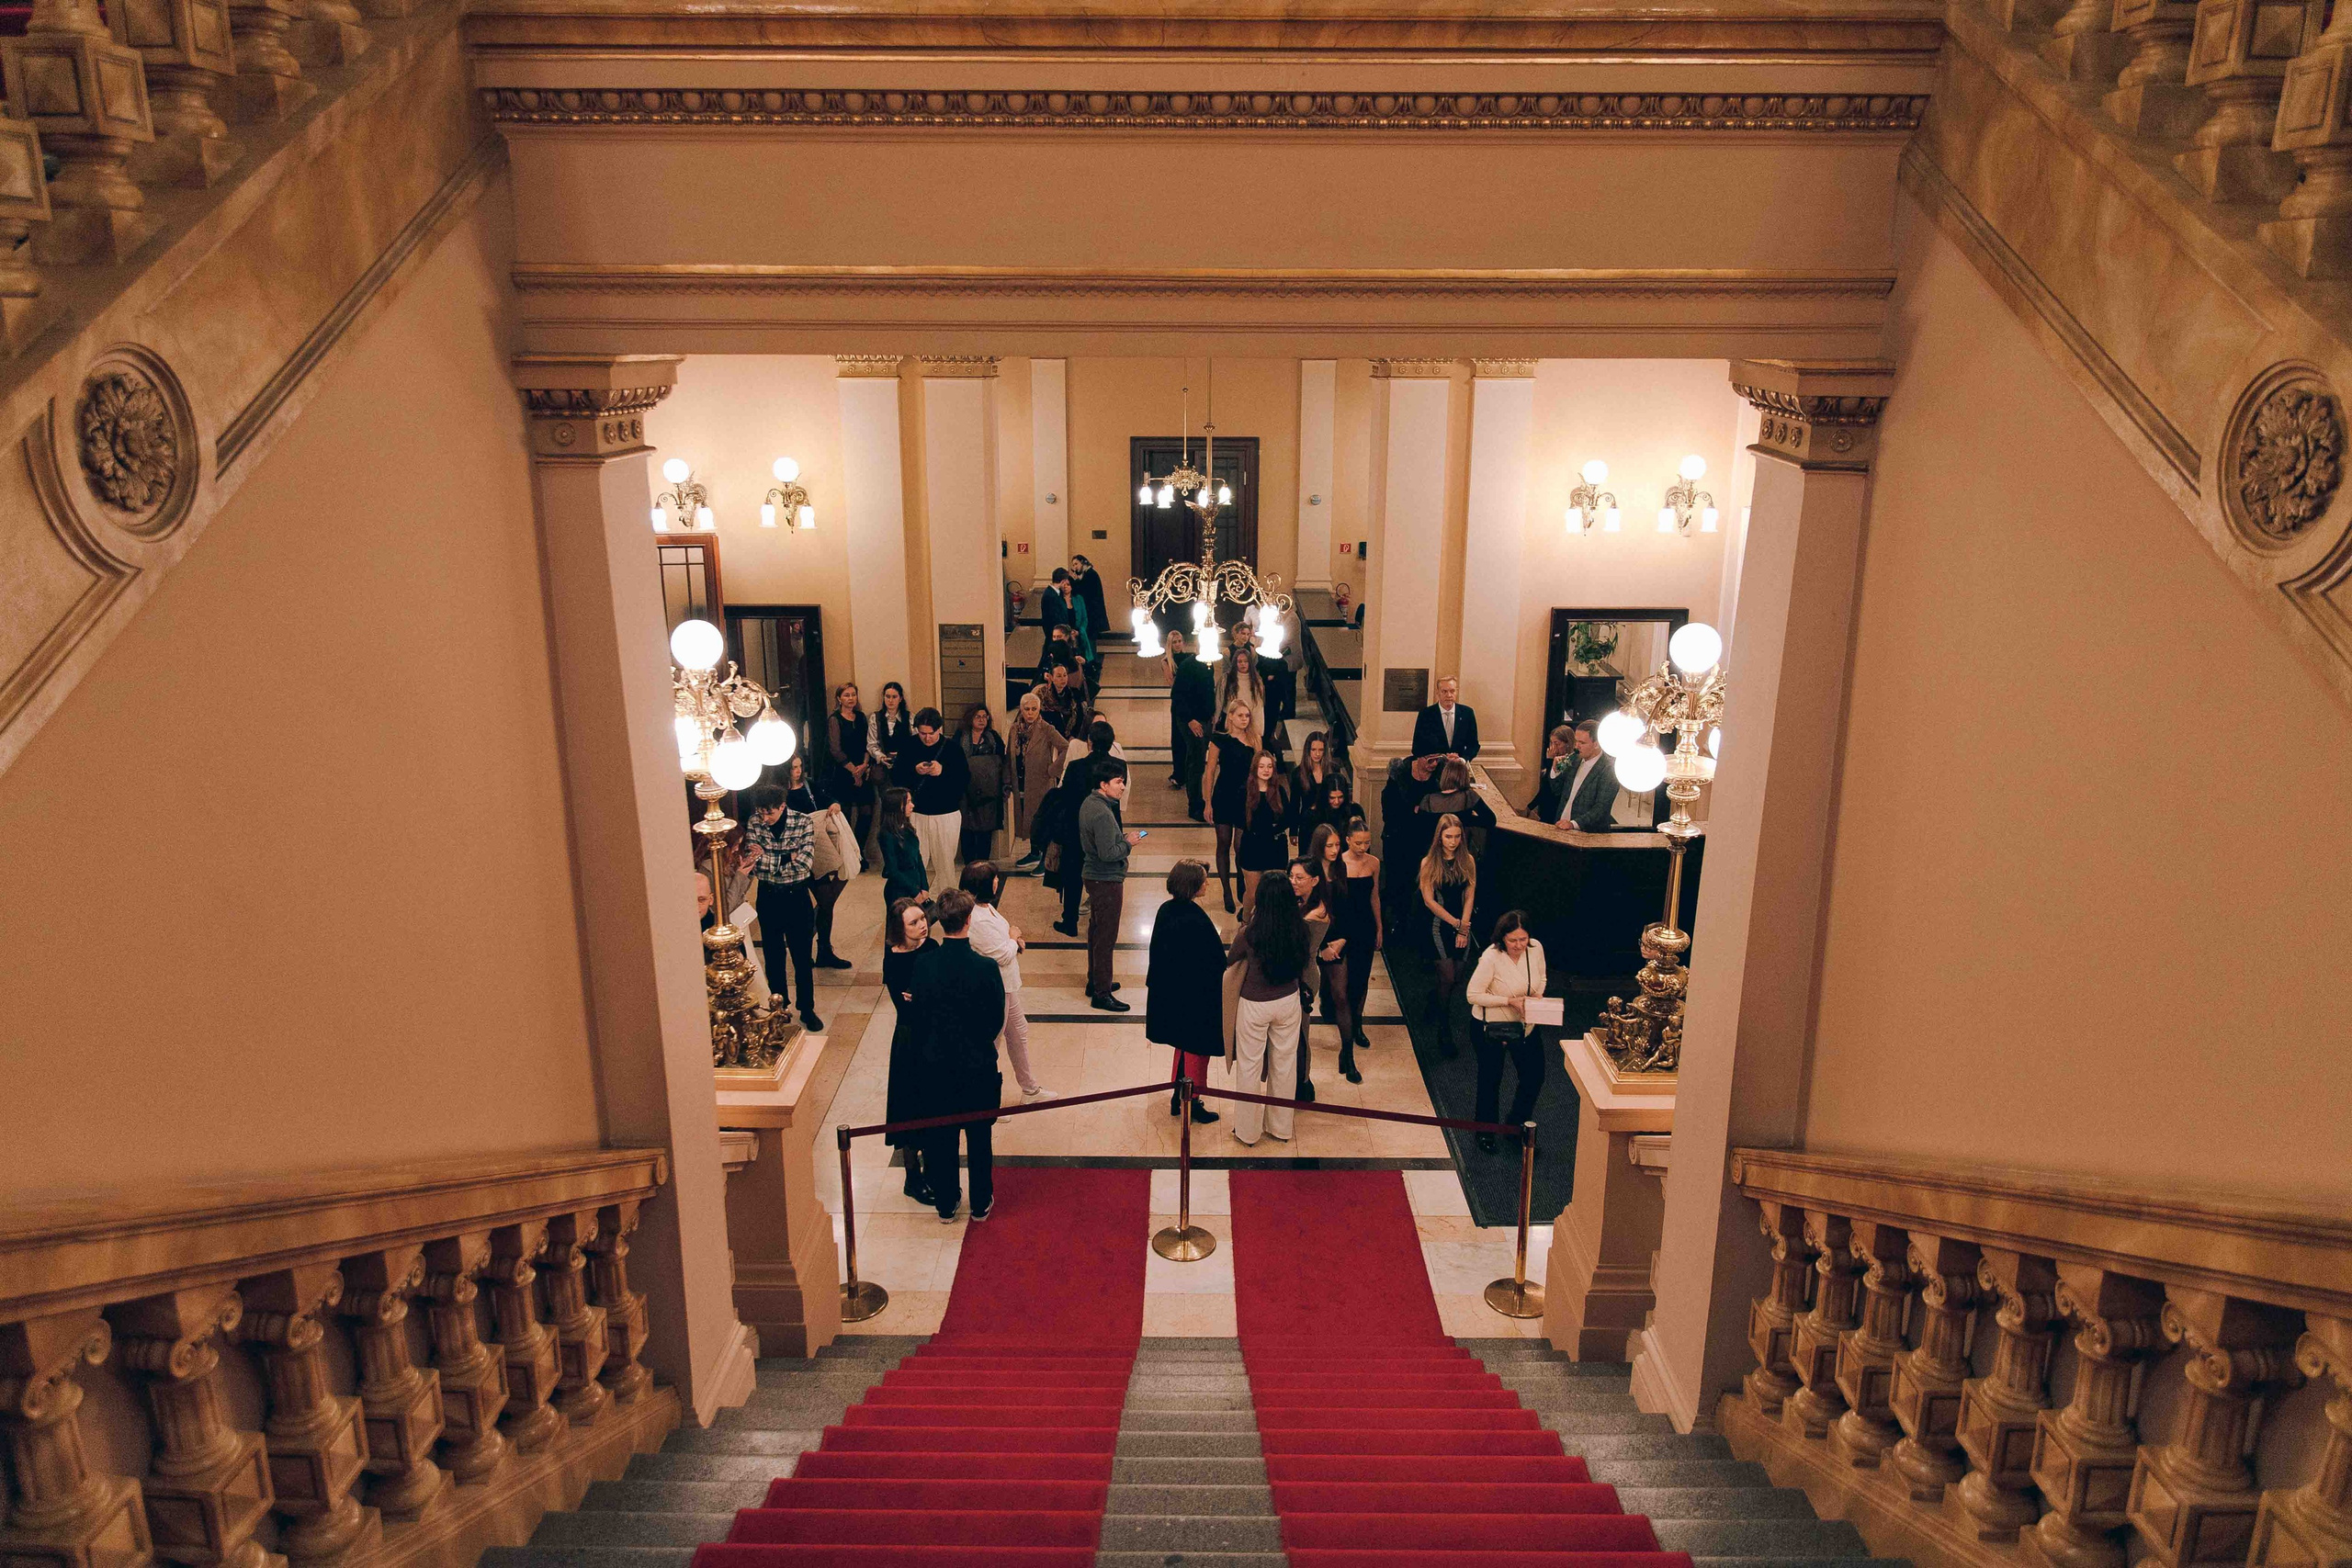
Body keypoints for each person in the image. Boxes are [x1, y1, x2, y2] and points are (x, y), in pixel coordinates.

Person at [914, 889, 1007, 1222]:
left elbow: (919, 1016)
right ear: (969, 920)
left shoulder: (924, 964)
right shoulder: (985, 968)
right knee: (980, 1138)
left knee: (941, 1139)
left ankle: (947, 1203)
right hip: (977, 1065)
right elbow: (997, 1018)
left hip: (936, 1066)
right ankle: (981, 1202)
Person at [1225, 874, 1308, 1146]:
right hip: (1288, 1001)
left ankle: (1248, 1132)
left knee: (1250, 1066)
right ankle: (1281, 1128)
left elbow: (1232, 959)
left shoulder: (1250, 933)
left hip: (1254, 1003)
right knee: (1284, 1065)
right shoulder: (1300, 929)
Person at [1144, 860, 1225, 1124]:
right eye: (1204, 879)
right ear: (1191, 884)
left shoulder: (1166, 910)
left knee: (1183, 1047)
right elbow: (1212, 961)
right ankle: (1192, 1099)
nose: (1208, 883)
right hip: (1195, 999)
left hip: (1173, 995)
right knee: (1197, 1051)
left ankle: (1178, 1095)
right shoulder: (1192, 918)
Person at [960, 863, 1049, 1100]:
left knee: (1018, 1032)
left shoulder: (986, 906)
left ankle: (1030, 1088)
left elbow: (1003, 942)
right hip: (995, 989)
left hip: (1007, 985)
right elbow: (1001, 954)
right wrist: (1013, 938)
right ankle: (986, 1100)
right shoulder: (976, 918)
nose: (997, 881)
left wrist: (1013, 940)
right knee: (992, 1045)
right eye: (994, 878)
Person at [741, 783, 824, 1036]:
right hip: (768, 897)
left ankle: (807, 1009)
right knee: (774, 957)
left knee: (801, 957)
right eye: (762, 813)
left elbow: (805, 865)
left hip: (797, 896)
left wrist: (769, 857)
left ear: (782, 806)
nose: (765, 819)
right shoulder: (755, 821)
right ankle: (780, 1007)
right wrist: (787, 856)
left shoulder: (803, 822)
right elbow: (753, 864)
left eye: (770, 813)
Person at [1464, 909, 1548, 1154]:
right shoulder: (1490, 957)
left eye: (1523, 940)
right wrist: (1509, 1001)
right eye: (1513, 940)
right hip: (1491, 1028)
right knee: (1491, 1080)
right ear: (1502, 938)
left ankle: (1515, 1126)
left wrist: (1536, 996)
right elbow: (1473, 995)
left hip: (1525, 1025)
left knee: (1534, 1076)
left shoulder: (1536, 948)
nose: (1519, 945)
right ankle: (1485, 1132)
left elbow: (1542, 977)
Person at [880, 897, 934, 1204]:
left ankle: (931, 1168)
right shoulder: (894, 958)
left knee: (931, 1105)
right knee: (909, 1108)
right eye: (913, 922)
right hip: (910, 1042)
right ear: (899, 928)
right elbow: (906, 1005)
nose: (923, 924)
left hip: (933, 1036)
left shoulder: (931, 947)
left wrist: (925, 995)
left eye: (923, 918)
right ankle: (913, 1178)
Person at [1078, 758, 1142, 1011]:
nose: (1123, 786)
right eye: (1118, 782)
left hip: (1094, 876)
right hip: (1105, 879)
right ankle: (1101, 993)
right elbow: (1108, 853)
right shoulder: (1102, 813)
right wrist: (1128, 843)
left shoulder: (1091, 803)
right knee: (1105, 937)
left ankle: (1095, 980)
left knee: (1096, 931)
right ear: (1103, 785)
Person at [1050, 720, 1123, 936]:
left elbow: (1066, 798)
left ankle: (1070, 921)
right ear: (1111, 744)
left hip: (1077, 829)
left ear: (1089, 742)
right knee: (1103, 874)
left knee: (1073, 875)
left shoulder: (1075, 767)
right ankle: (1100, 922)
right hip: (1108, 826)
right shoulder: (1119, 767)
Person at [784, 753, 854, 970]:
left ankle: (824, 948)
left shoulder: (807, 785)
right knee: (806, 907)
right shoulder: (780, 794)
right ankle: (810, 949)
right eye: (794, 767)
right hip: (794, 855)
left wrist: (834, 804)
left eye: (800, 766)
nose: (798, 771)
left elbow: (826, 797)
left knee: (826, 899)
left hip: (816, 847)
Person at [1304, 825, 1361, 1083]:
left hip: (1338, 939)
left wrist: (1341, 941)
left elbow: (1348, 909)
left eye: (1338, 845)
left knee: (1341, 994)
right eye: (1330, 846)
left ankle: (1347, 1054)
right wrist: (1322, 947)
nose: (1336, 850)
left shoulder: (1341, 869)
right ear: (1319, 846)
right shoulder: (1306, 871)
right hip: (1311, 940)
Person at [1418, 812, 1477, 1054]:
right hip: (1438, 926)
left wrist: (1463, 926)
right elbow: (1428, 900)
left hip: (1462, 923)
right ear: (1439, 837)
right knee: (1448, 977)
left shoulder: (1468, 860)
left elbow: (1470, 895)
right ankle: (1444, 1029)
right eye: (1448, 836)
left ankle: (1435, 999)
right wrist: (1454, 923)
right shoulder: (1428, 862)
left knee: (1457, 977)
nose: (1453, 841)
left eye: (1457, 836)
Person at [893, 707, 969, 894]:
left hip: (946, 813)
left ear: (939, 729)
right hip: (916, 812)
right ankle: (914, 904)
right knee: (914, 862)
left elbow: (964, 781)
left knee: (945, 863)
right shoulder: (909, 746)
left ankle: (949, 906)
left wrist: (943, 772)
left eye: (931, 734)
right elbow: (896, 778)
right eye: (922, 733)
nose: (927, 738)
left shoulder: (952, 748)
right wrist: (914, 770)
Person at [1201, 697, 1263, 913]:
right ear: (1231, 717)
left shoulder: (1255, 739)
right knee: (1223, 843)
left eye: (1247, 716)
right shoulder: (1219, 739)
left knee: (1241, 845)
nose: (1245, 719)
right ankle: (1226, 890)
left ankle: (1241, 883)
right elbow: (1209, 772)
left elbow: (1259, 771)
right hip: (1224, 794)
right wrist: (1207, 802)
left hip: (1246, 797)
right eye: (1240, 715)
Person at [1286, 856, 1336, 1099]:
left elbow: (1298, 946)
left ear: (1315, 880)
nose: (1293, 882)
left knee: (1301, 1033)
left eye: (1299, 878)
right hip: (1297, 972)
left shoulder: (1317, 912)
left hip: (1304, 977)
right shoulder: (1301, 902)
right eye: (1291, 876)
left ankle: (1302, 1082)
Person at [1336, 817, 1383, 1060]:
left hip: (1364, 924)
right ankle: (1344, 1021)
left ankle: (1358, 1024)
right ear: (1347, 840)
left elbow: (1375, 896)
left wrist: (1379, 927)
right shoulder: (1338, 863)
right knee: (1343, 982)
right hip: (1343, 924)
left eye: (1366, 843)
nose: (1363, 847)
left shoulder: (1374, 863)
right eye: (1358, 843)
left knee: (1362, 978)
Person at [1008, 690, 1068, 871]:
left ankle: (1045, 859)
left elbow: (1066, 748)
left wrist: (1052, 770)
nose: (1031, 713)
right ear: (1021, 709)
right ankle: (1034, 852)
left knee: (1042, 820)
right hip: (1021, 781)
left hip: (1041, 783)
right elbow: (1008, 754)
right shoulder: (1014, 729)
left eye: (1034, 709)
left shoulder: (1046, 729)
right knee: (1027, 818)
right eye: (1027, 709)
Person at [1234, 750, 1291, 913]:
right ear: (1255, 769)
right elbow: (1240, 821)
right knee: (1253, 893)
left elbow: (1287, 818)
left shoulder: (1279, 791)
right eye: (1262, 766)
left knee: (1275, 893)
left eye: (1269, 766)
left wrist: (1274, 829)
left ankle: (1271, 926)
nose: (1266, 770)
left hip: (1276, 847)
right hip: (1253, 846)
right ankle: (1245, 924)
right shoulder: (1244, 791)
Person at [1168, 629, 1216, 818]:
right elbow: (1178, 697)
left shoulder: (1208, 664)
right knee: (1196, 763)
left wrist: (1212, 714)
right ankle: (1194, 805)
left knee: (1201, 761)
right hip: (1190, 720)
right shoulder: (1188, 666)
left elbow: (1208, 691)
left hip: (1205, 719)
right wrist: (1191, 721)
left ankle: (1202, 800)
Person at [826, 682, 879, 856]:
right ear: (839, 698)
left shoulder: (861, 717)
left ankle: (859, 851)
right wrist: (853, 771)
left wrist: (863, 766)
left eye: (853, 695)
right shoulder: (835, 719)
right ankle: (847, 853)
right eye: (847, 695)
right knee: (846, 815)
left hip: (863, 769)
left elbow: (868, 743)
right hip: (843, 771)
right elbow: (835, 750)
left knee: (867, 812)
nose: (851, 698)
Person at [956, 705, 1012, 867]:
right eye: (977, 717)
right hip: (965, 793)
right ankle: (969, 865)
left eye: (984, 716)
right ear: (970, 719)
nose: (981, 720)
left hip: (988, 794)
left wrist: (1005, 785)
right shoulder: (961, 737)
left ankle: (982, 866)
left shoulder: (993, 737)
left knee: (985, 832)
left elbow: (1003, 762)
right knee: (966, 830)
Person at [1556, 717, 1620, 832]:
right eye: (1576, 741)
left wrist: (1573, 824)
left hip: (1588, 835)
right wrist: (1554, 771)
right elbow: (1557, 791)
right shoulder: (1575, 758)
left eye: (1582, 743)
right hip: (1561, 828)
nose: (1576, 746)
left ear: (1596, 744)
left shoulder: (1609, 770)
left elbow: (1601, 809)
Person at [1289, 731, 1348, 837]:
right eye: (1313, 750)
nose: (1317, 754)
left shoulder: (1334, 769)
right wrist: (1293, 831)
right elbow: (1294, 804)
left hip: (1329, 822)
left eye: (1321, 750)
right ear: (1308, 750)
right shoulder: (1297, 773)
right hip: (1308, 824)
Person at [1411, 674, 1481, 762]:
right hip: (1434, 767)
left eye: (1452, 691)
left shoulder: (1467, 713)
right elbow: (1417, 747)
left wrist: (1462, 759)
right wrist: (1441, 758)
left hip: (1458, 767)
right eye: (1444, 691)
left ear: (1457, 692)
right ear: (1438, 693)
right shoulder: (1426, 714)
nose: (1449, 695)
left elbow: (1473, 745)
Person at [1218, 644, 1272, 756]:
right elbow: (1219, 702)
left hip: (1250, 725)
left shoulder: (1256, 681)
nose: (1243, 664)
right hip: (1232, 726)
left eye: (1246, 661)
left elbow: (1258, 706)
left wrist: (1258, 731)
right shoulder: (1227, 679)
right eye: (1239, 661)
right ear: (1235, 663)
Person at [876, 786, 925, 907]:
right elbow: (893, 870)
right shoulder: (887, 834)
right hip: (899, 891)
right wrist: (914, 892)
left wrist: (925, 886)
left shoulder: (908, 829)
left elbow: (918, 859)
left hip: (916, 886)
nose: (912, 805)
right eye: (908, 802)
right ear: (897, 805)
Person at [1069, 553, 1112, 676]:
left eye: (1076, 564)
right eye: (1073, 565)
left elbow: (1082, 591)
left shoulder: (1090, 575)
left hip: (1092, 616)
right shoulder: (1089, 574)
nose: (1075, 567)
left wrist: (1073, 580)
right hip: (1092, 615)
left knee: (1090, 641)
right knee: (1089, 640)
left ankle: (1092, 665)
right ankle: (1091, 664)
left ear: (1083, 563)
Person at [1529, 724, 1579, 826]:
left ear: (1567, 743)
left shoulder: (1570, 761)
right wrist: (1530, 806)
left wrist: (1550, 761)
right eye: (1551, 743)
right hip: (1546, 808)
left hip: (1556, 809)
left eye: (1557, 744)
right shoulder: (1554, 761)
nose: (1553, 748)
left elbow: (1552, 788)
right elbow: (1544, 787)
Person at [1037, 659, 1090, 741]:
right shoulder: (1043, 695)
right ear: (1051, 677)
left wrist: (1073, 735)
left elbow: (1080, 716)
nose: (1063, 679)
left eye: (1065, 675)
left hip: (1071, 737)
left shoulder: (1074, 693)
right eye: (1059, 676)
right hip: (1049, 737)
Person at [870, 682, 913, 778]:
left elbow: (914, 742)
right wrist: (881, 757)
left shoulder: (909, 717)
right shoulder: (875, 718)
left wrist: (902, 754)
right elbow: (872, 744)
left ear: (900, 699)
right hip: (882, 767)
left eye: (894, 697)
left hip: (904, 764)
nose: (890, 700)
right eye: (887, 696)